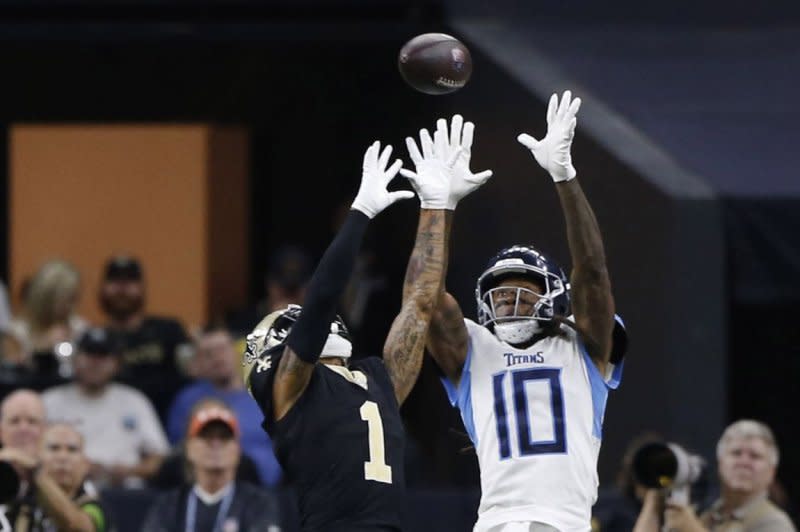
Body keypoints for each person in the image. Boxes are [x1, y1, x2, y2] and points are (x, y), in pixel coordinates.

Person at [243, 133, 486, 531]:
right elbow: (320, 301)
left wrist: (436, 205)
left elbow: (421, 302)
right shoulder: (294, 393)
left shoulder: (377, 381)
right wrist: (360, 213)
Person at [422, 93, 626, 531]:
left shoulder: (582, 344)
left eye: (525, 291)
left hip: (564, 522)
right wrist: (439, 205)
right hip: (497, 522)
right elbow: (425, 297)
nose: (509, 301)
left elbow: (592, 272)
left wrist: (564, 175)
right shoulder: (473, 345)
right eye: (499, 293)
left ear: (555, 297)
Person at [43, 326, 170, 487]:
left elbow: (159, 458)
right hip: (63, 488)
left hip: (124, 493)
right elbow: (29, 452)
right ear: (75, 359)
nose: (95, 362)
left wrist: (128, 471)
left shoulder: (134, 401)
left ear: (117, 363)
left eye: (103, 355)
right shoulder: (50, 401)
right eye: (89, 354)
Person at [167, 325, 282, 486]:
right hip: (208, 484)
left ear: (236, 351)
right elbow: (179, 451)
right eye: (208, 354)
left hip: (269, 488)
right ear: (197, 362)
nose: (217, 358)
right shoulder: (187, 400)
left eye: (222, 349)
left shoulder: (267, 394)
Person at [633, 420, 796, 532]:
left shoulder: (774, 523)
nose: (744, 462)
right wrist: (655, 496)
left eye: (755, 456)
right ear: (720, 462)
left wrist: (692, 529)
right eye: (736, 453)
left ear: (772, 472)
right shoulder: (707, 516)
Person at [143, 401, 281, 532]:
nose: (215, 444)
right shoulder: (169, 505)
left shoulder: (257, 503)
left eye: (224, 437)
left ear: (237, 449)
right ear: (189, 448)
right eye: (206, 436)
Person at [98, 255, 190, 422]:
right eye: (115, 282)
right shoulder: (97, 341)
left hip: (165, 420)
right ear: (103, 288)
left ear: (142, 288)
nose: (122, 290)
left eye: (129, 283)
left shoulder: (169, 331)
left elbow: (189, 377)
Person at [1, 422, 111, 532]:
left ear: (86, 464)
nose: (62, 457)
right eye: (54, 448)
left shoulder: (95, 507)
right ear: (39, 456)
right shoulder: (22, 505)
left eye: (72, 449)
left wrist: (37, 472)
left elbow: (79, 527)